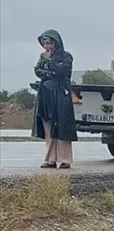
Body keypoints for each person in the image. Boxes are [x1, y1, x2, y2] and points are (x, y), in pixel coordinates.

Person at [33, 30, 78, 169]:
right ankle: (50, 159)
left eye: (49, 43)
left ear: (56, 43)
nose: (46, 46)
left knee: (62, 127)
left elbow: (62, 71)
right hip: (46, 94)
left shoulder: (66, 56)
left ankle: (65, 160)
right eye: (44, 43)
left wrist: (50, 63)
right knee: (48, 127)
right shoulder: (42, 57)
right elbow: (37, 71)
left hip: (61, 95)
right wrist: (49, 71)